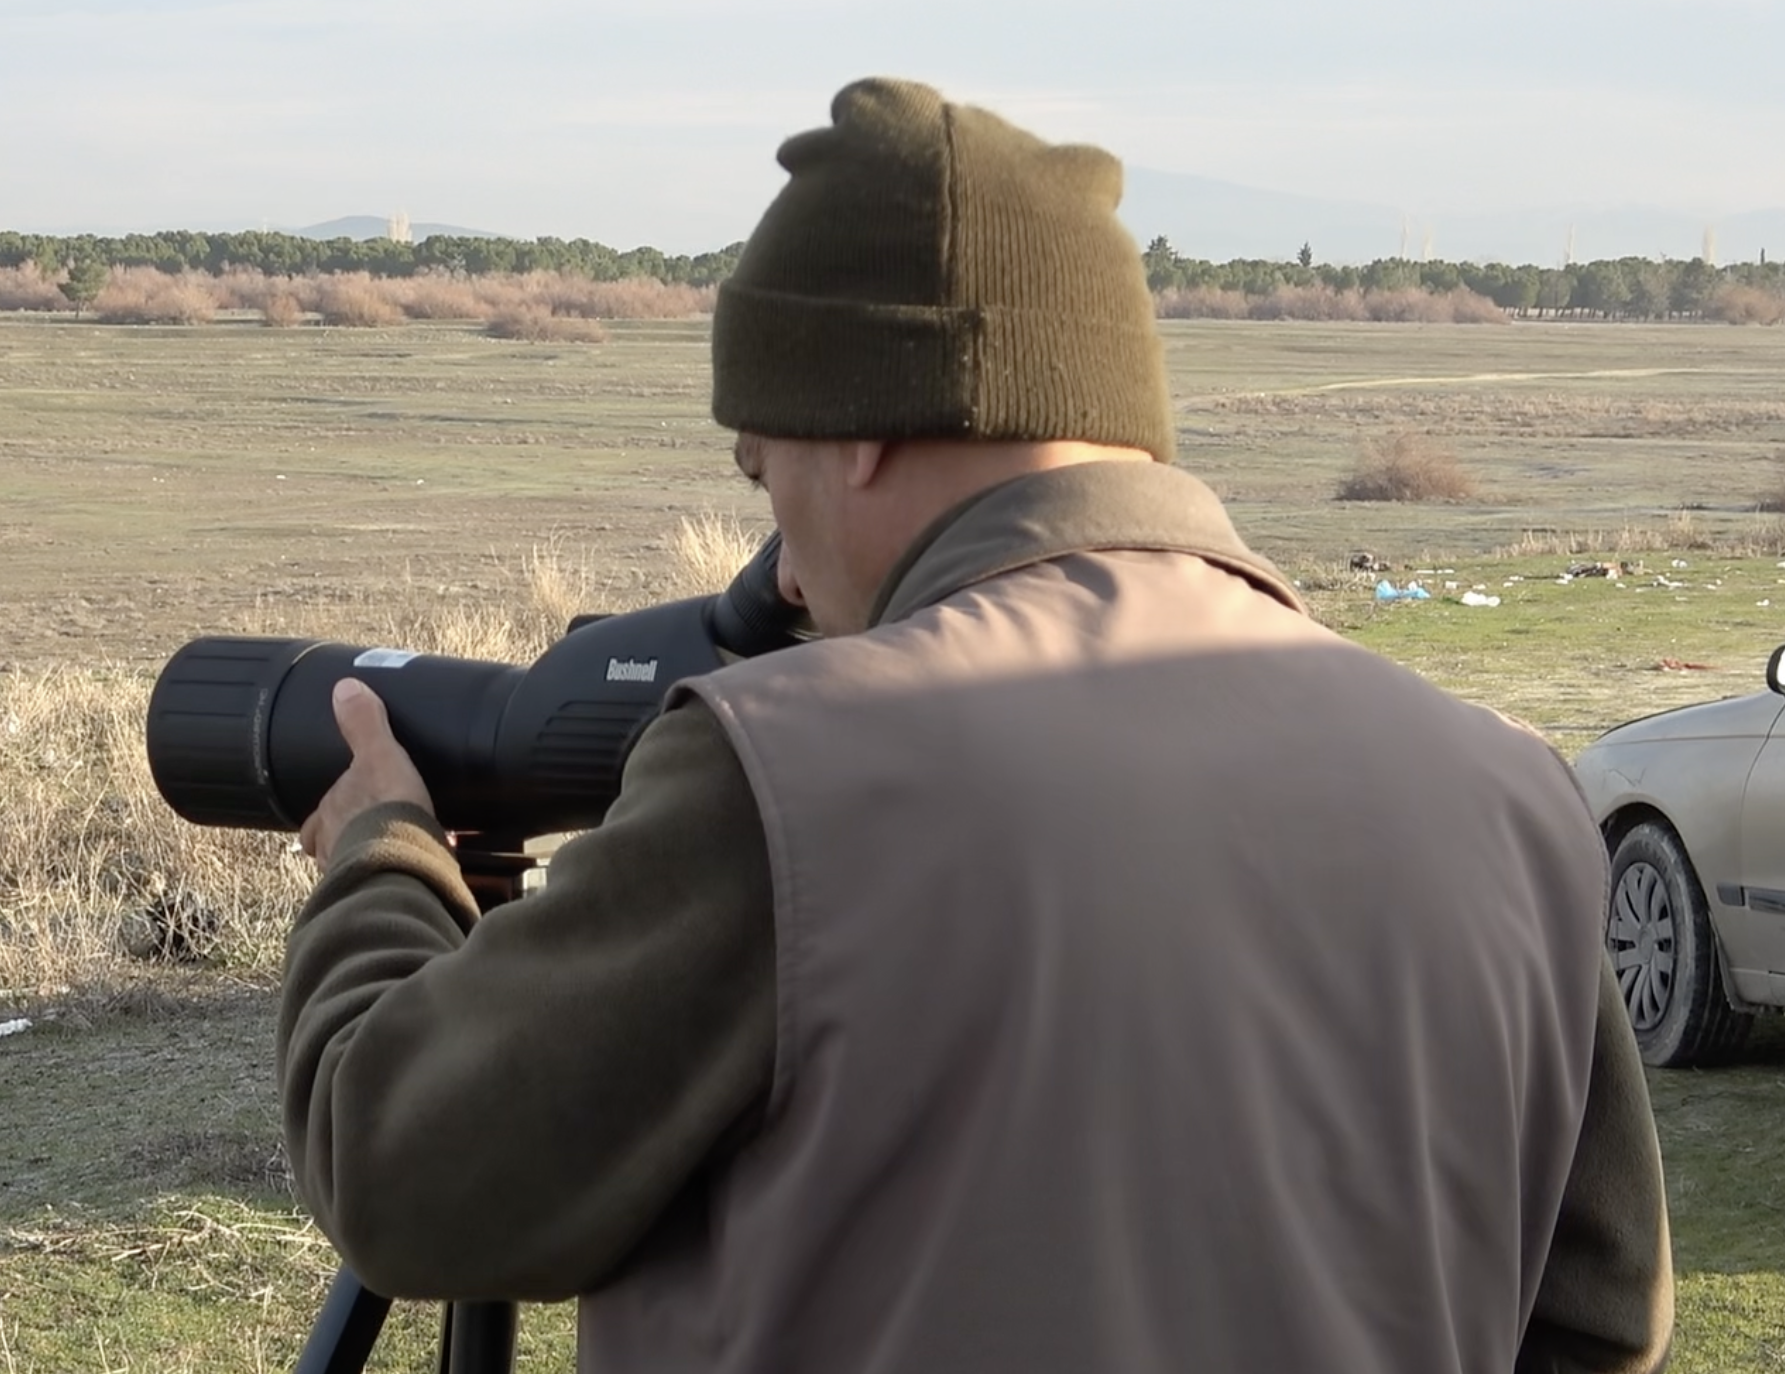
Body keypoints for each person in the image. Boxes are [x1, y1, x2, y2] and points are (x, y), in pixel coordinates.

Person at [277, 77, 1673, 1373]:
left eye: (764, 472)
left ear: (860, 427)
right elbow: (1605, 1318)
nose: (781, 574)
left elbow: (408, 1174)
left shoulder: (783, 772)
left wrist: (384, 863)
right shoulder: (1509, 793)